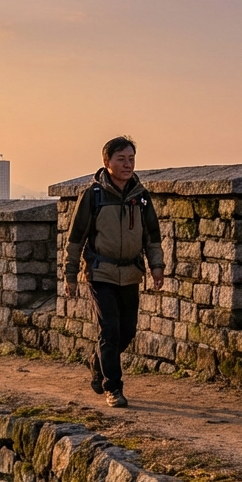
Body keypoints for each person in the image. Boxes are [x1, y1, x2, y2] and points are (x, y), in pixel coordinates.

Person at [63, 136, 164, 408]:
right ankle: (113, 388)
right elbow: (75, 239)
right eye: (121, 159)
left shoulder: (140, 197)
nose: (127, 164)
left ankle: (97, 362)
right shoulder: (92, 196)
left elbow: (152, 236)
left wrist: (157, 266)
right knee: (109, 330)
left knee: (127, 332)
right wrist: (70, 275)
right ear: (107, 163)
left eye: (131, 159)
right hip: (101, 273)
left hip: (130, 273)